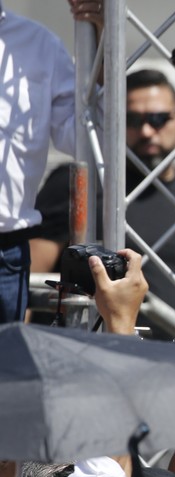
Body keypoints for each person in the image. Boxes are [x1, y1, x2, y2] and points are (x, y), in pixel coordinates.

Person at [31, 69, 175, 338]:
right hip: (82, 358)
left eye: (159, 119)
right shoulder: (79, 183)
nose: (147, 131)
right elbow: (30, 279)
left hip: (169, 365)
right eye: (133, 120)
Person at [0, 2, 97, 323]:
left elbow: (85, 138)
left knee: (6, 371)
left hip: (6, 250)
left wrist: (103, 38)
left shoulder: (39, 45)